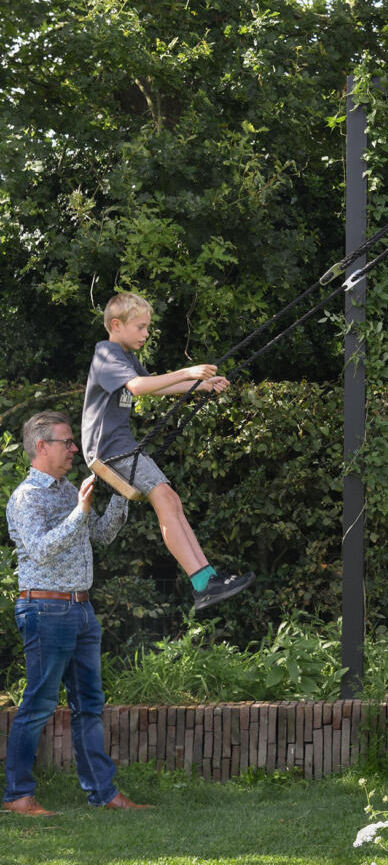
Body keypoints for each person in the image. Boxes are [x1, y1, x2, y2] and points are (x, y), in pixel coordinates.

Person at [3, 411, 150, 815]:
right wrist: (80, 511)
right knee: (38, 704)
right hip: (45, 608)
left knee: (90, 704)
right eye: (67, 442)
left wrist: (121, 493)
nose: (74, 449)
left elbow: (100, 536)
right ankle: (17, 795)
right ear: (41, 446)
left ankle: (103, 794)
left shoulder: (69, 491)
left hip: (82, 610)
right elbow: (41, 548)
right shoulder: (25, 498)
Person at [81, 292, 254, 613]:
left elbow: (151, 383)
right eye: (141, 327)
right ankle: (202, 584)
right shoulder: (106, 353)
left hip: (121, 447)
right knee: (164, 498)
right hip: (107, 450)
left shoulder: (125, 356)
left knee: (170, 499)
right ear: (116, 325)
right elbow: (137, 387)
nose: (146, 334)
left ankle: (207, 579)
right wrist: (188, 373)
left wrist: (198, 387)